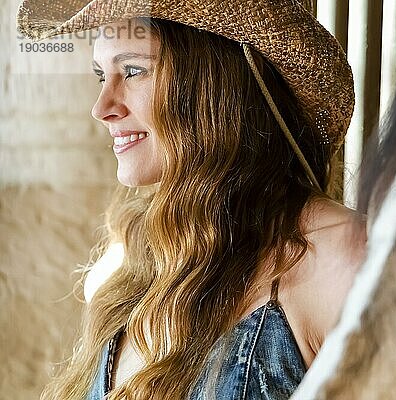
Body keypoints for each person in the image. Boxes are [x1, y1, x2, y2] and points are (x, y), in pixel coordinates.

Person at [17, 1, 366, 399]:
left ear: (213, 84)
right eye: (102, 76)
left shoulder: (342, 257)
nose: (102, 108)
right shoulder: (130, 261)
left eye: (132, 71)